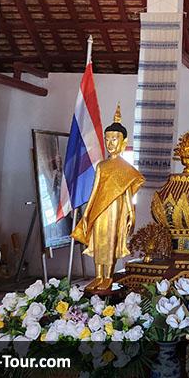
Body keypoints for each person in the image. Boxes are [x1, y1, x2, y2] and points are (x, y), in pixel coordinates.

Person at [71, 105, 144, 292]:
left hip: (115, 210)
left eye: (114, 139)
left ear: (123, 141)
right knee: (98, 240)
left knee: (111, 241)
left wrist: (130, 214)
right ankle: (98, 276)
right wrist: (86, 213)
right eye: (108, 139)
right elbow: (95, 191)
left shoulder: (125, 169)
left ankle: (108, 277)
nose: (110, 143)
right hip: (99, 208)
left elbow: (127, 194)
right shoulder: (102, 166)